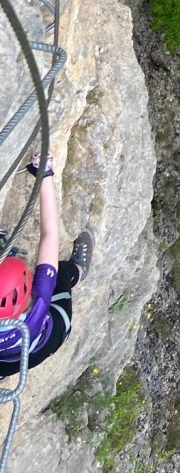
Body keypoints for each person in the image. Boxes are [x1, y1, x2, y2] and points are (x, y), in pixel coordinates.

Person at [0, 152, 94, 376]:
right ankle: (79, 270)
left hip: (8, 361)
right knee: (61, 274)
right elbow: (49, 233)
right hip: (48, 338)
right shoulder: (39, 306)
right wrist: (44, 173)